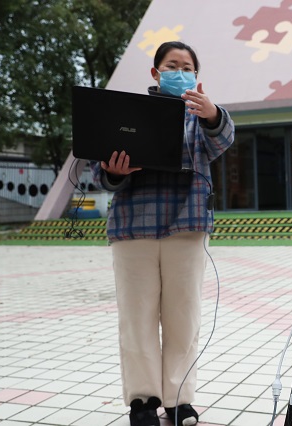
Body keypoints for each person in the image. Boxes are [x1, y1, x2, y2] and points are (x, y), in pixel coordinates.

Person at [91, 41, 234, 426]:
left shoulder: (201, 115)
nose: (180, 72)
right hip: (132, 227)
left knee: (183, 319)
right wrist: (113, 171)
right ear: (156, 72)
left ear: (196, 76)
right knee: (135, 318)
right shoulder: (127, 115)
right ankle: (143, 401)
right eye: (172, 65)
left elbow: (222, 141)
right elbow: (100, 172)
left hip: (187, 226)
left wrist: (213, 114)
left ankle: (179, 400)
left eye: (188, 67)